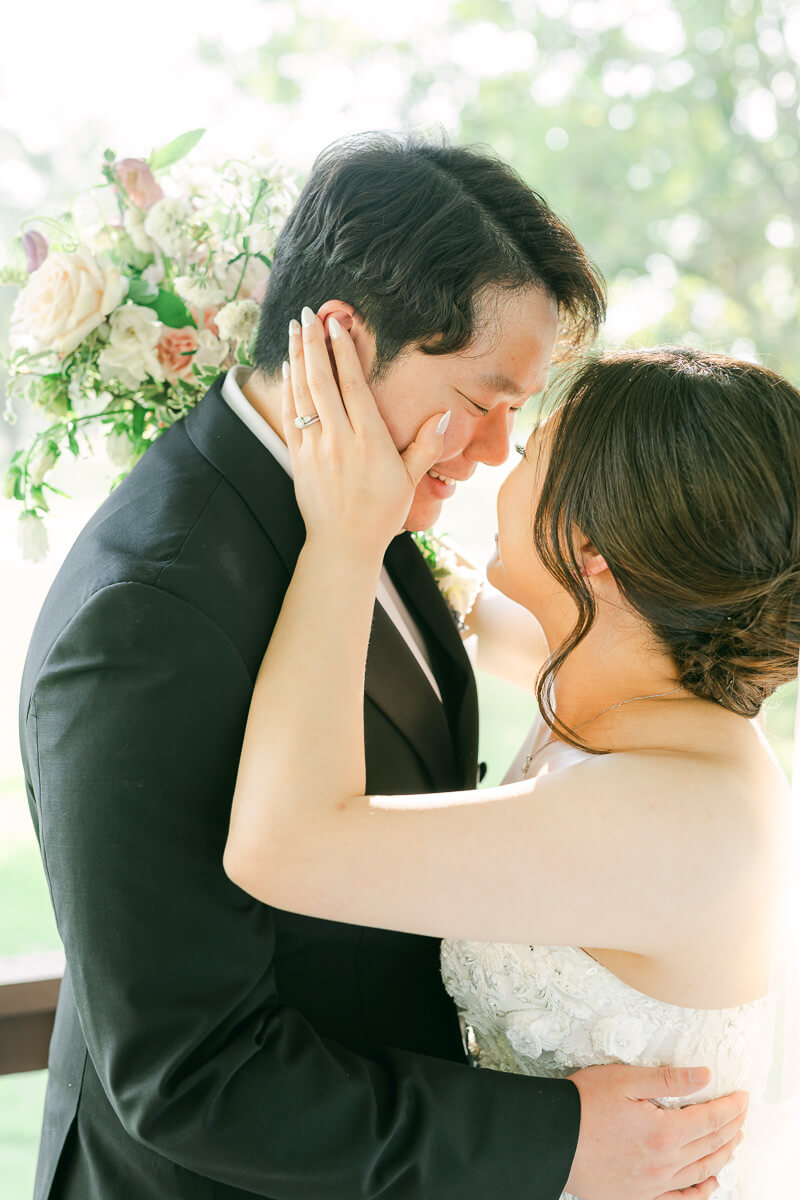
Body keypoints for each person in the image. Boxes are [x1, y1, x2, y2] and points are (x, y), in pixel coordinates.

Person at [20, 131, 745, 1200]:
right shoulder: (150, 614)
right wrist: (551, 1143)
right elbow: (187, 1078)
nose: (499, 450)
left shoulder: (365, 505)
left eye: (520, 413)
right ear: (349, 343)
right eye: (484, 396)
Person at [225, 313, 800, 1198]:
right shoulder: (633, 680)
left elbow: (280, 847)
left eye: (530, 453)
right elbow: (445, 608)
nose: (498, 465)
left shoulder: (674, 813)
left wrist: (343, 538)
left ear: (592, 553)